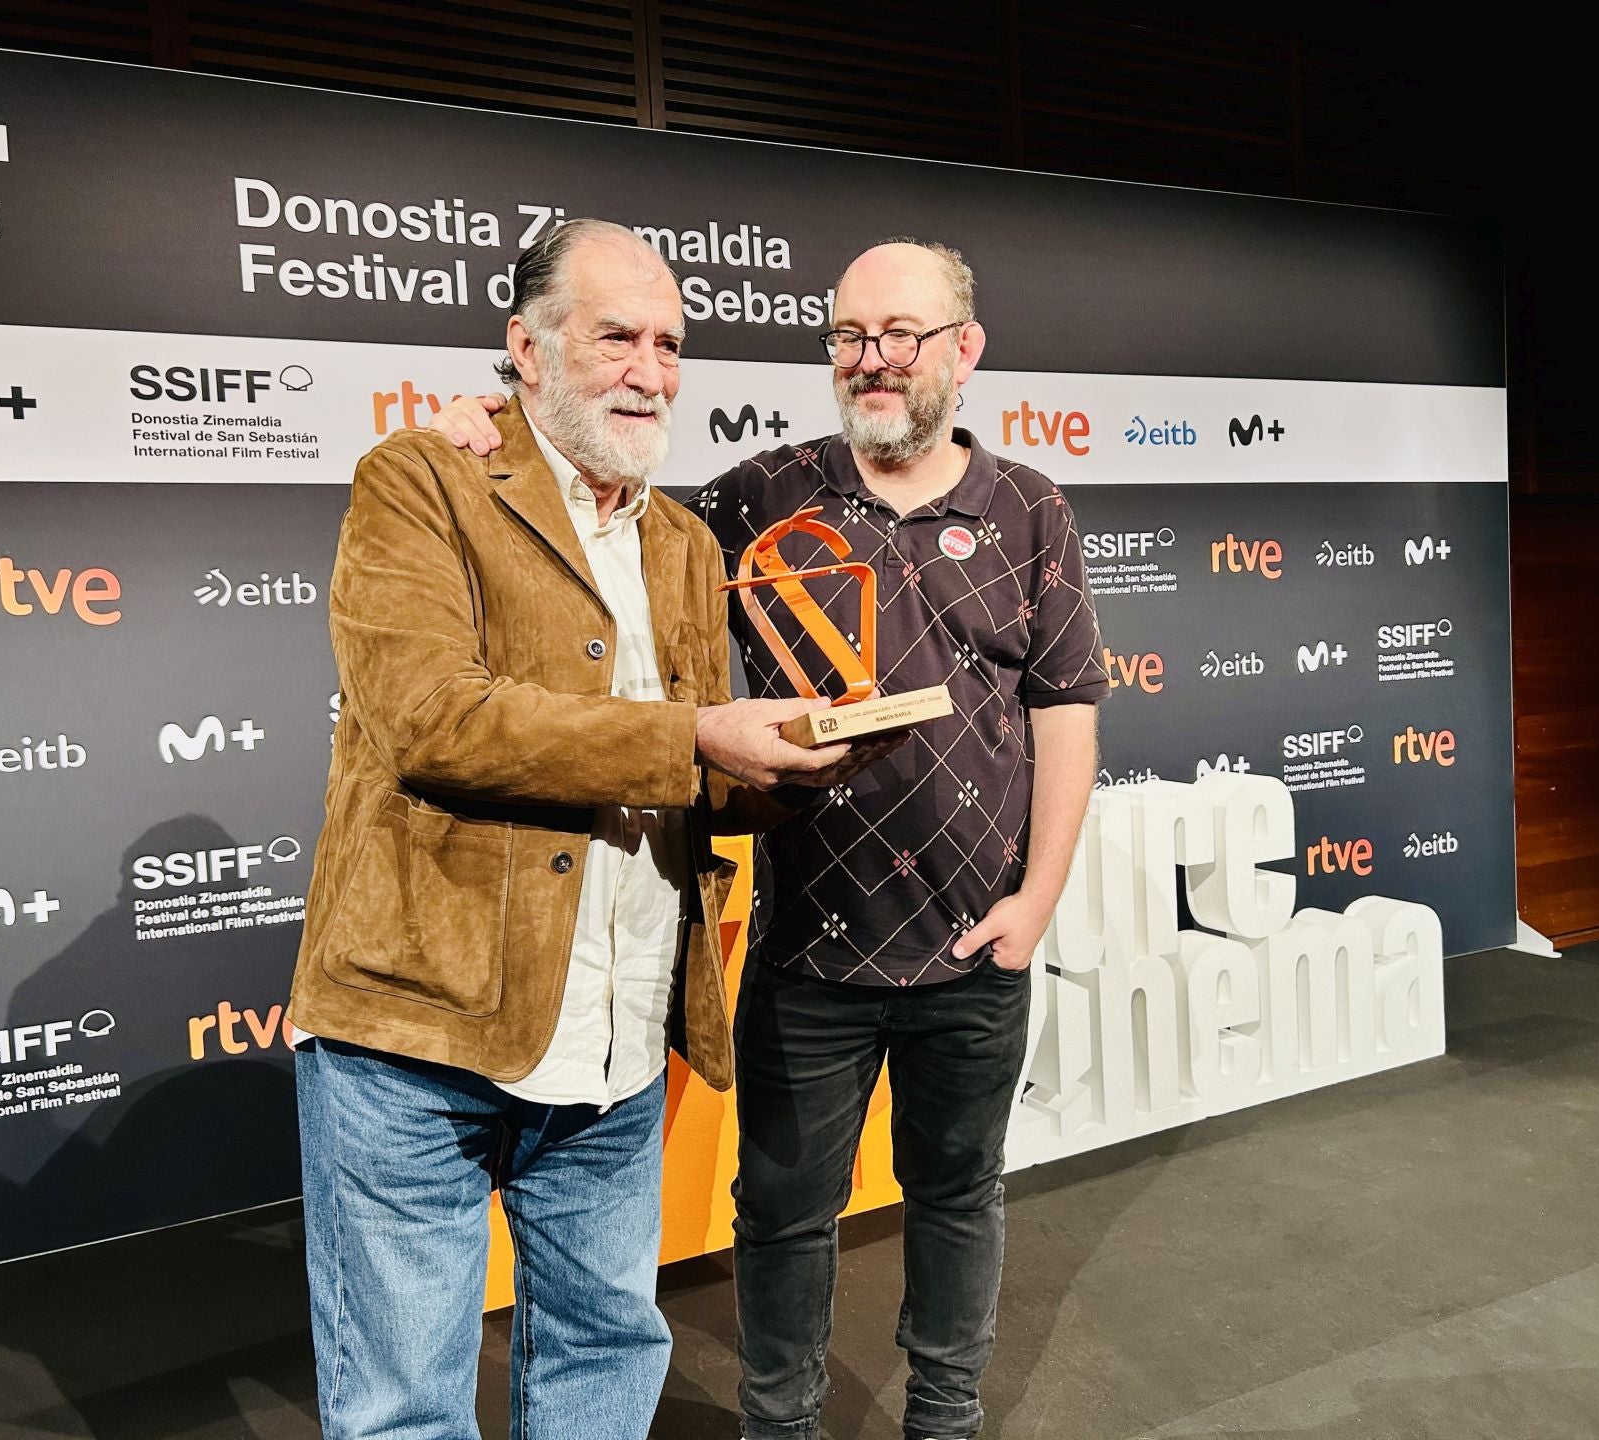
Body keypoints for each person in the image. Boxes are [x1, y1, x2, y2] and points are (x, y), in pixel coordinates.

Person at [430, 237, 1106, 1440]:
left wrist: (1037, 899)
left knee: (959, 1196)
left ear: (964, 349)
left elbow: (1064, 711)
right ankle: (779, 1426)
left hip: (976, 947)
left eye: (900, 335)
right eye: (849, 335)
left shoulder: (1030, 508)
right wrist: (486, 424)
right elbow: (590, 511)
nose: (872, 359)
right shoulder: (756, 495)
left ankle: (944, 1417)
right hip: (807, 954)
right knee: (783, 1214)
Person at [288, 217, 866, 1440]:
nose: (650, 371)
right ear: (528, 347)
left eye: (671, 344)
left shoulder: (684, 541)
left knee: (606, 1357)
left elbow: (688, 777)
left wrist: (793, 768)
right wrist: (698, 734)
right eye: (617, 337)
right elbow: (432, 719)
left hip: (617, 1038)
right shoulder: (421, 480)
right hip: (417, 1033)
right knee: (402, 1407)